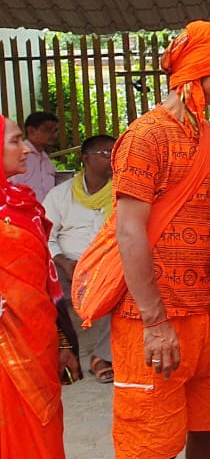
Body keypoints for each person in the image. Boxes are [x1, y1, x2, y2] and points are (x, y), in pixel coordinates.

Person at [90, 21, 210, 459]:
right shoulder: (145, 137)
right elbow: (130, 232)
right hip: (148, 319)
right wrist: (156, 322)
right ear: (200, 72)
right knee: (154, 445)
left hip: (202, 313)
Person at [1, 114, 79, 459]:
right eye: (16, 141)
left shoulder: (23, 204)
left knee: (43, 434)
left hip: (38, 342)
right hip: (7, 352)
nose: (25, 150)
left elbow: (45, 287)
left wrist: (63, 341)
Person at [45, 134, 116, 383]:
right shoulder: (60, 195)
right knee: (45, 296)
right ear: (85, 159)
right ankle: (62, 357)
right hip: (66, 264)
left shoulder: (123, 190)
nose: (112, 158)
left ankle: (101, 357)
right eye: (105, 154)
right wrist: (64, 263)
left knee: (125, 289)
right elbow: (46, 236)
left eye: (115, 152)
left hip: (109, 263)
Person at [11, 111, 59, 200]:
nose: (54, 136)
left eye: (55, 131)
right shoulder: (19, 156)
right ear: (31, 131)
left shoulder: (46, 160)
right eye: (49, 130)